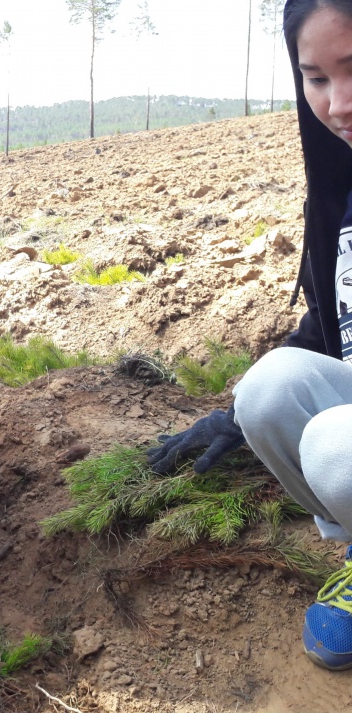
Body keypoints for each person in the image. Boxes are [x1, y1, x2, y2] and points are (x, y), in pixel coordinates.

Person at [148, 0, 352, 670]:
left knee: (334, 446)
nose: (338, 104)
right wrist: (236, 417)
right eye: (316, 78)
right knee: (265, 390)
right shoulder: (340, 192)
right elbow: (332, 323)